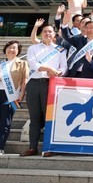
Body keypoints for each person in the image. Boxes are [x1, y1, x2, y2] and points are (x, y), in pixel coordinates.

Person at [22, 24, 67, 156]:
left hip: (51, 84)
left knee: (49, 117)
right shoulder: (32, 48)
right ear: (41, 34)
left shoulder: (60, 50)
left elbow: (64, 67)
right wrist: (48, 69)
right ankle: (32, 147)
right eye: (45, 32)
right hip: (34, 84)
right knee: (34, 117)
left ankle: (48, 148)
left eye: (50, 32)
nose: (48, 34)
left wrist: (58, 72)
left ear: (54, 35)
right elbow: (32, 64)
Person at [0, 40, 27, 156]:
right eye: (9, 47)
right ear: (5, 50)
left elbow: (24, 80)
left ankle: (0, 147)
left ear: (18, 51)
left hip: (11, 96)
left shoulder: (22, 63)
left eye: (14, 48)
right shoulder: (0, 63)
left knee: (6, 121)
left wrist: (21, 95)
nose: (11, 49)